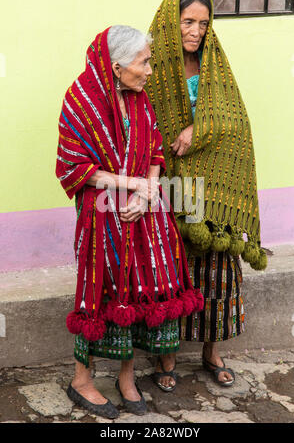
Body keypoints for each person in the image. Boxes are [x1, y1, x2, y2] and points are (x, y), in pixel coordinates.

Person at [56, 25, 203, 418]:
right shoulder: (81, 100)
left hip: (141, 212)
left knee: (137, 292)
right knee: (101, 291)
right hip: (101, 215)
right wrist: (130, 183)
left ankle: (126, 378)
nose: (150, 70)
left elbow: (155, 148)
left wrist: (147, 192)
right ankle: (81, 379)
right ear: (117, 66)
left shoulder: (138, 99)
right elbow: (73, 167)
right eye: (144, 63)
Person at [146, 0, 268, 390]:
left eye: (203, 22)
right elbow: (143, 124)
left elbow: (238, 123)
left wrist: (198, 129)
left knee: (216, 272)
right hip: (168, 186)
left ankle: (212, 353)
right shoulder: (153, 68)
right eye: (187, 21)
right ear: (171, 21)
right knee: (172, 270)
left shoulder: (215, 64)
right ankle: (166, 357)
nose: (196, 30)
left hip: (212, 191)